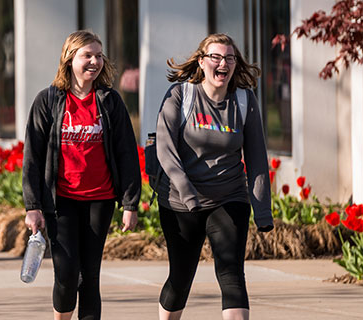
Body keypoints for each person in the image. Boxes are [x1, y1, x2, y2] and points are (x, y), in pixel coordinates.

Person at [21, 30, 140, 320]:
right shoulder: (48, 101)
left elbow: (127, 153)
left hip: (100, 200)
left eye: (99, 56)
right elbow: (32, 159)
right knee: (66, 273)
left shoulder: (110, 102)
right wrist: (33, 206)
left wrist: (130, 204)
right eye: (87, 55)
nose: (94, 61)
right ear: (69, 58)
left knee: (90, 275)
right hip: (61, 201)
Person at [155, 33, 272, 320]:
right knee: (181, 277)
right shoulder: (181, 96)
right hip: (181, 202)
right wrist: (187, 192)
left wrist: (262, 211)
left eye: (229, 58)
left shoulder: (244, 100)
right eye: (216, 57)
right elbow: (165, 149)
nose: (223, 63)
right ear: (202, 61)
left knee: (232, 272)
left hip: (229, 196)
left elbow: (257, 158)